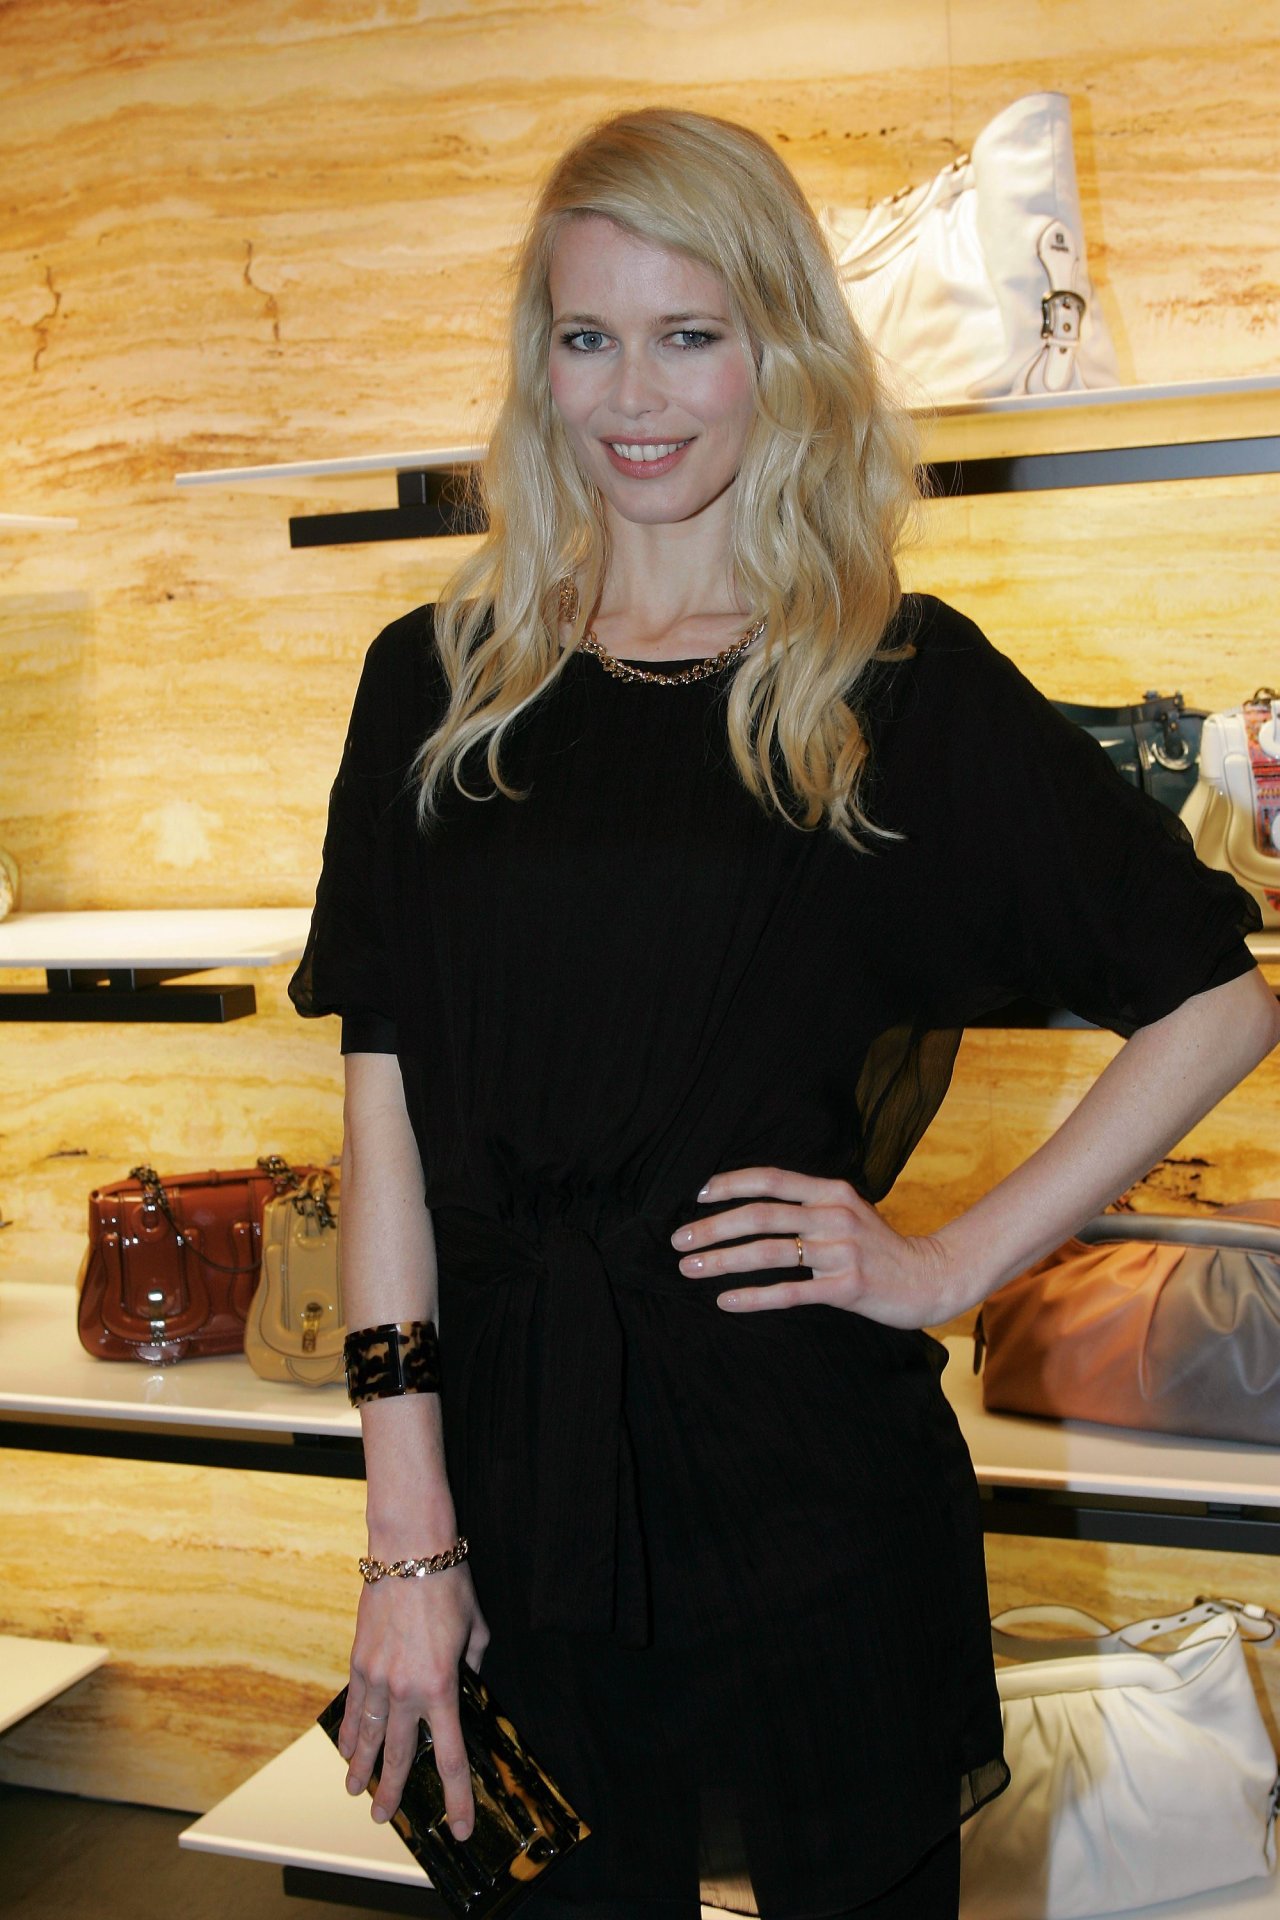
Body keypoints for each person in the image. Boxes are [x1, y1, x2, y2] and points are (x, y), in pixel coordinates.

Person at [289, 107, 1279, 1920]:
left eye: (692, 334)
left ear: (783, 351)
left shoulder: (895, 686)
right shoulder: (430, 688)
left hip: (812, 1496)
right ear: (538, 361)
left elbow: (1214, 1001)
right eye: (588, 336)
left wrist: (945, 1263)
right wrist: (407, 1541)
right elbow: (388, 1135)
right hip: (513, 1494)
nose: (633, 395)